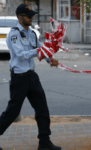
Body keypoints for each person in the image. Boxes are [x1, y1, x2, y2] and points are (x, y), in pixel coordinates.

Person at [0, 3, 61, 150]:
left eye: (32, 15)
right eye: (29, 16)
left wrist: (49, 59)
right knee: (12, 112)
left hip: (32, 77)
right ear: (20, 17)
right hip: (19, 79)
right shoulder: (14, 34)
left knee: (42, 109)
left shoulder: (32, 33)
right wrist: (40, 50)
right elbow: (21, 55)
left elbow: (41, 48)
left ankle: (45, 142)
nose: (31, 18)